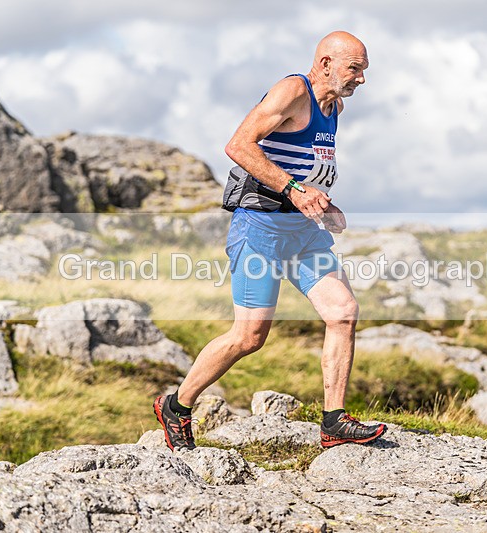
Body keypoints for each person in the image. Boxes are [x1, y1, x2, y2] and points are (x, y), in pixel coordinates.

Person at [154, 31, 386, 450]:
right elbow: (239, 145)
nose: (361, 80)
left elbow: (303, 166)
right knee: (249, 337)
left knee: (343, 312)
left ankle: (333, 420)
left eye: (364, 71)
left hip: (302, 232)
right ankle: (177, 405)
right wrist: (295, 190)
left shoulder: (334, 108)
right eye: (355, 69)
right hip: (259, 229)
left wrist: (321, 205)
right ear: (326, 63)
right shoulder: (293, 91)